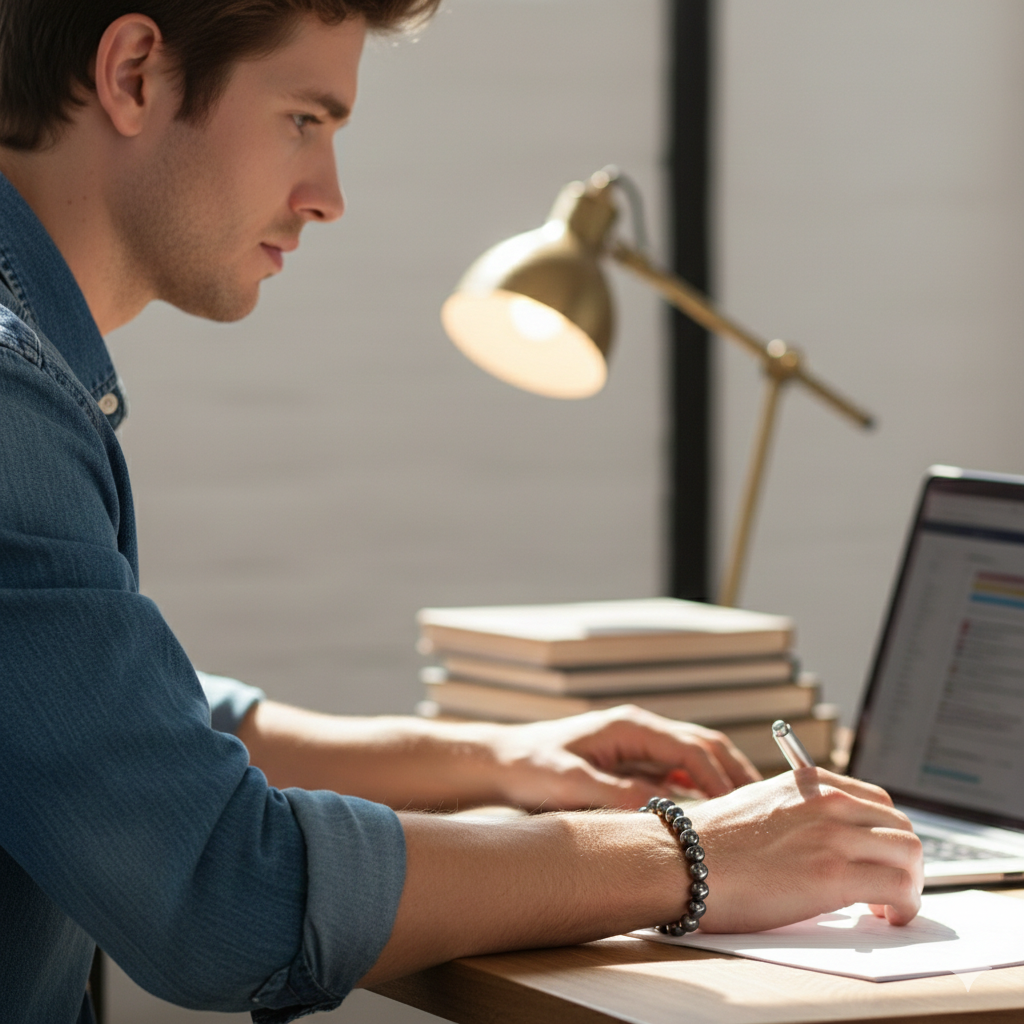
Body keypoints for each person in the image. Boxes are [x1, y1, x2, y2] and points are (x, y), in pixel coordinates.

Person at [0, 2, 924, 1022]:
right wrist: (693, 851)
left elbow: (138, 724)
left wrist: (494, 757)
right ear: (133, 74)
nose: (328, 197)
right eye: (305, 119)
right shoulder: (11, 399)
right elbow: (222, 891)